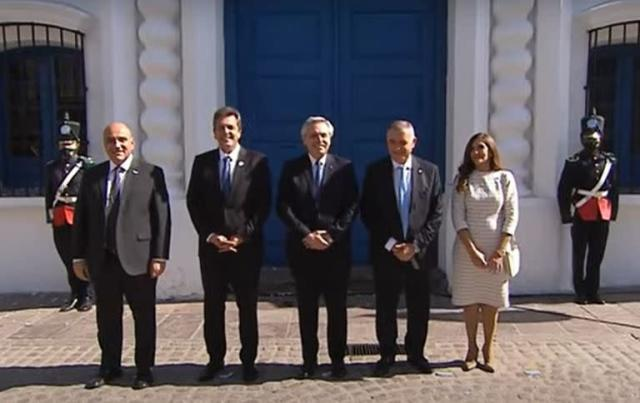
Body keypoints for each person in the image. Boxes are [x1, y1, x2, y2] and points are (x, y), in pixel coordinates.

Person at [72, 122, 171, 390]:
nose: (117, 145)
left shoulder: (151, 174)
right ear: (104, 144)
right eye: (111, 140)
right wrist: (78, 257)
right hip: (102, 259)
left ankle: (144, 370)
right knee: (107, 317)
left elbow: (162, 218)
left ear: (132, 143)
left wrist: (159, 256)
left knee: (144, 317)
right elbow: (81, 218)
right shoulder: (93, 176)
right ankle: (109, 367)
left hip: (139, 259)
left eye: (122, 140)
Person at [186, 106, 271, 383]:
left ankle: (248, 362)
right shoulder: (202, 163)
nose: (226, 133)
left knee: (247, 307)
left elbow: (262, 205)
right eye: (221, 128)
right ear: (214, 132)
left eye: (231, 128)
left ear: (240, 131)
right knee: (213, 307)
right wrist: (210, 235)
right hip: (212, 249)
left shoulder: (257, 162)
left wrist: (243, 235)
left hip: (245, 249)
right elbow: (194, 203)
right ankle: (215, 360)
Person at [276, 116, 359, 379]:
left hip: (336, 252)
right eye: (313, 135)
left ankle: (337, 361)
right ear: (304, 140)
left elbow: (352, 205)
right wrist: (307, 234)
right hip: (303, 251)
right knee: (307, 310)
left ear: (330, 139)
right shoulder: (292, 169)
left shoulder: (344, 168)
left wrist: (332, 235)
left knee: (337, 310)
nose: (319, 140)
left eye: (323, 135)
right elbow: (283, 207)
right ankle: (309, 361)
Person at [360, 120, 443, 377]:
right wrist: (392, 245)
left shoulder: (430, 171)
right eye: (392, 142)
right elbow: (368, 212)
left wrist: (415, 246)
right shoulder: (375, 172)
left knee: (419, 306)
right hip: (387, 253)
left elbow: (436, 214)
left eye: (403, 142)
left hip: (419, 254)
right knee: (386, 305)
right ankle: (386, 354)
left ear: (413, 143)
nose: (397, 147)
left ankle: (416, 354)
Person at [450, 132, 519, 373]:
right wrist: (472, 251)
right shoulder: (463, 180)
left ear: (490, 150)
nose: (477, 153)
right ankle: (471, 349)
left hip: (495, 249)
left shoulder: (504, 178)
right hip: (467, 250)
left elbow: (511, 215)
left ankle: (489, 349)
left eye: (481, 148)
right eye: (472, 149)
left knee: (491, 302)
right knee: (470, 302)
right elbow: (458, 217)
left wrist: (500, 250)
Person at [557, 112, 618, 305]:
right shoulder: (574, 162)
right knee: (579, 255)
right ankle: (580, 292)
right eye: (588, 136)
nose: (591, 140)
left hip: (602, 212)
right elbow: (564, 189)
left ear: (601, 137)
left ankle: (593, 291)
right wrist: (566, 214)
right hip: (582, 212)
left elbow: (614, 189)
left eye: (595, 136)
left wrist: (613, 212)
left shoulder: (609, 162)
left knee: (597, 255)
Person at [45, 113, 93, 312]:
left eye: (70, 142)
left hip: (79, 215)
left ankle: (86, 295)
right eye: (63, 143)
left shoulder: (86, 166)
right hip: (60, 217)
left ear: (78, 144)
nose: (66, 147)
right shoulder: (52, 168)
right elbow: (49, 194)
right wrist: (49, 216)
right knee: (67, 257)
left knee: (82, 256)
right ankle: (74, 294)